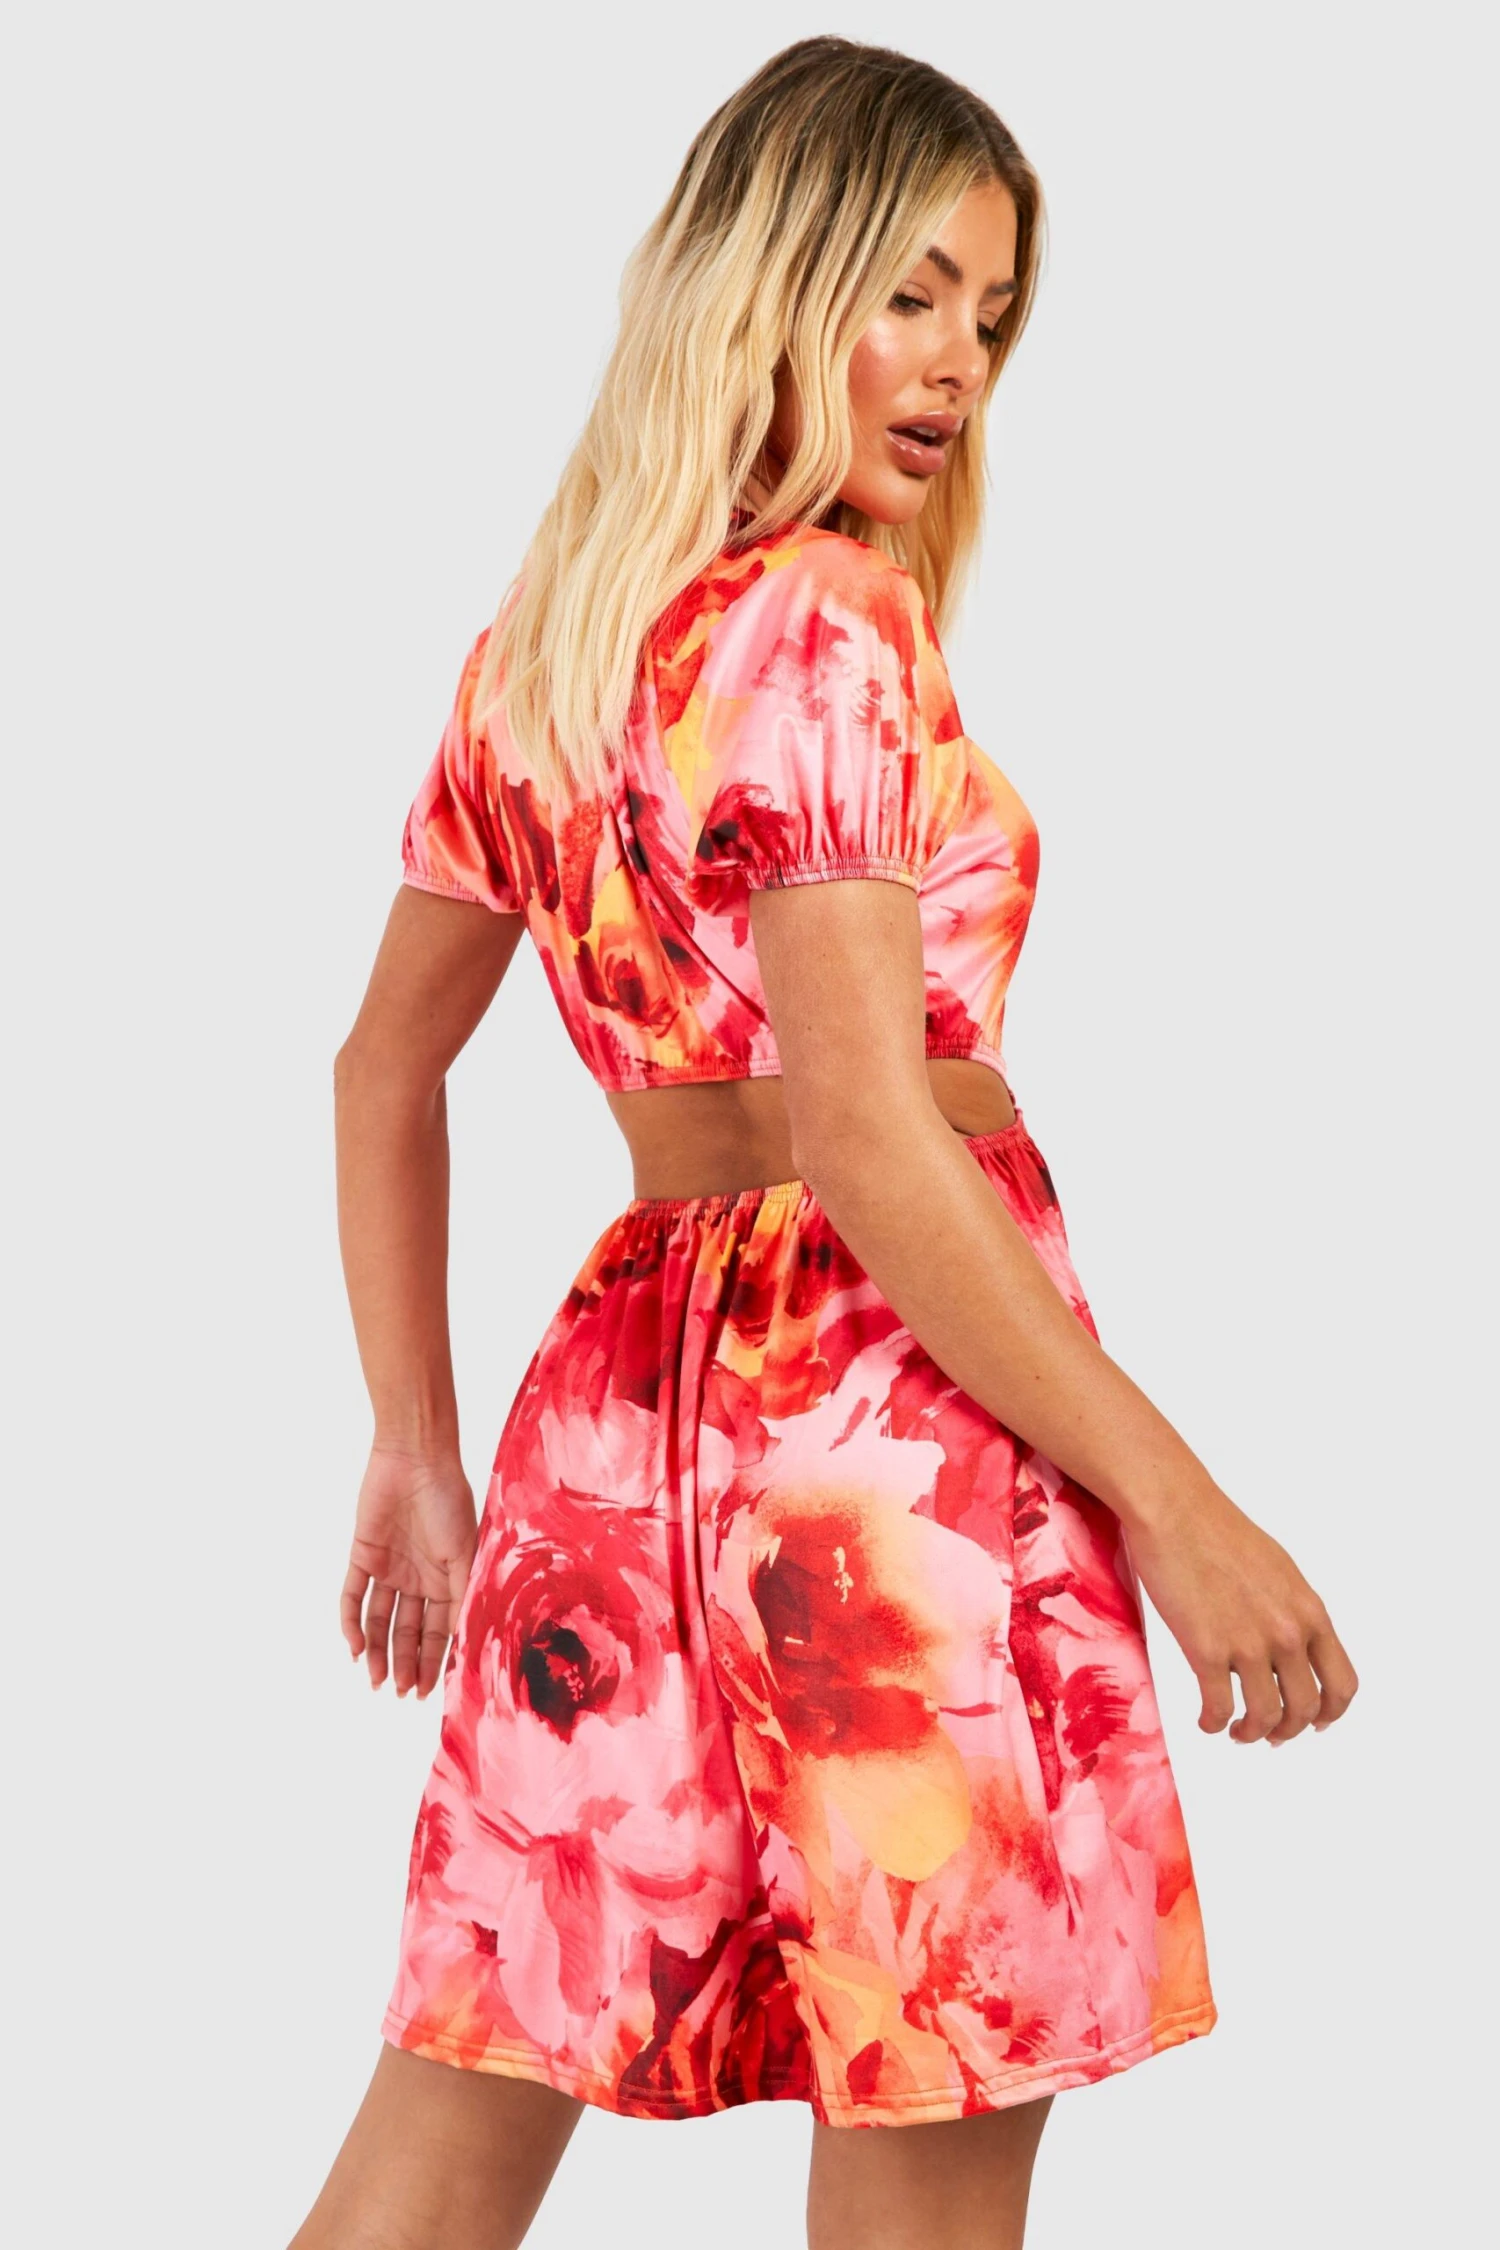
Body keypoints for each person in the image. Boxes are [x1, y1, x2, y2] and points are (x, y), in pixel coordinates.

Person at [292, 35, 1358, 2250]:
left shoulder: (539, 652)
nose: (960, 358)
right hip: (889, 1440)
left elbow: (381, 1066)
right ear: (769, 285)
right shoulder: (834, 617)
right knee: (925, 2178)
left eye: (994, 312)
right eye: (910, 292)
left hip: (616, 1447)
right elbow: (873, 1142)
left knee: (442, 2152)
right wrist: (1181, 1507)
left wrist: (416, 1440)